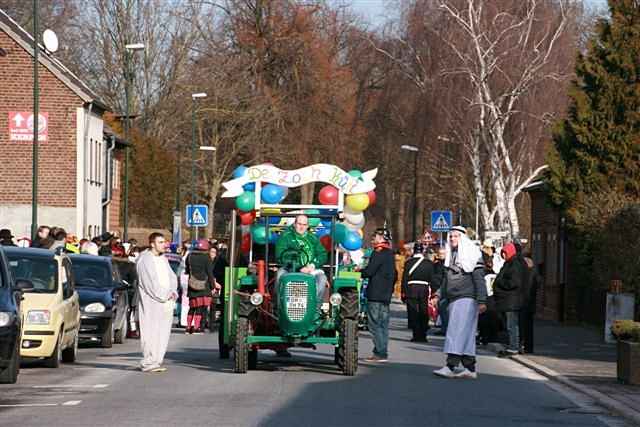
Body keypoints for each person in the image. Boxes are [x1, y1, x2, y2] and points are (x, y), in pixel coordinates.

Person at [433, 226, 487, 379]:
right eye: (450, 237)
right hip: (454, 299)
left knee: (455, 332)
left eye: (455, 236)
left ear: (462, 238)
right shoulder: (453, 255)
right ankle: (470, 368)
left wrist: (482, 300)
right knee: (466, 335)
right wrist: (438, 295)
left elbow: (479, 280)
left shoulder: (472, 255)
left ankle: (450, 365)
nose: (452, 239)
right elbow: (446, 281)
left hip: (466, 299)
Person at [135, 233, 177, 372]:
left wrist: (172, 292)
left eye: (164, 242)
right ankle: (149, 361)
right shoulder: (145, 260)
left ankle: (157, 360)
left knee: (163, 332)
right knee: (151, 331)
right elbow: (149, 283)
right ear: (152, 243)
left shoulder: (163, 259)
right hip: (152, 302)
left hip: (166, 301)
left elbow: (171, 277)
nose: (163, 244)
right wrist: (163, 295)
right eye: (160, 242)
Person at [360, 228, 396, 363]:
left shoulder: (378, 252)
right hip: (386, 294)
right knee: (383, 324)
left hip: (375, 294)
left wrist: (359, 272)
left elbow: (370, 271)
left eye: (375, 236)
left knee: (374, 324)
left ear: (381, 238)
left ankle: (379, 352)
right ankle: (382, 352)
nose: (373, 238)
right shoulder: (390, 253)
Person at [275, 214, 328, 303]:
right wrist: (299, 267)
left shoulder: (313, 238)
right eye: (299, 224)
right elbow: (280, 255)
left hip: (310, 269)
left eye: (304, 225)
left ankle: (315, 308)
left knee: (322, 278)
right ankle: (279, 305)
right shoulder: (286, 237)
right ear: (294, 224)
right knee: (280, 274)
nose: (301, 227)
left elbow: (322, 254)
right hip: (290, 268)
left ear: (307, 226)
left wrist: (313, 265)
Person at [493, 242, 526, 357]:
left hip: (512, 300)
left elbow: (514, 282)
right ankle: (513, 345)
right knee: (510, 324)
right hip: (508, 299)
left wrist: (500, 283)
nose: (503, 256)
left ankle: (514, 347)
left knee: (512, 324)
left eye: (505, 253)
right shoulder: (509, 263)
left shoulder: (514, 264)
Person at [401, 242, 435, 343]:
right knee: (424, 311)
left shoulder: (408, 263)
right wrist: (433, 292)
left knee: (413, 312)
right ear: (422, 251)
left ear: (414, 250)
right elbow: (432, 278)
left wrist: (403, 292)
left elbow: (404, 279)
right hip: (424, 288)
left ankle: (416, 335)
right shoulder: (429, 263)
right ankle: (423, 335)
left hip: (411, 288)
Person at [185, 239, 214, 334]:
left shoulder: (189, 256)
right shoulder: (206, 257)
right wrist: (213, 286)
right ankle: (196, 327)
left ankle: (188, 327)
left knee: (192, 307)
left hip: (192, 284)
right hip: (204, 285)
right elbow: (210, 273)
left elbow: (187, 270)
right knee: (200, 307)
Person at [478, 239, 502, 345]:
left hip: (493, 291)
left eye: (487, 247)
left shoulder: (497, 258)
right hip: (485, 289)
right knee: (483, 315)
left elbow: (497, 271)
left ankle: (491, 335)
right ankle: (484, 335)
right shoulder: (482, 257)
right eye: (484, 247)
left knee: (492, 314)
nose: (485, 249)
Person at [519, 251, 541, 354]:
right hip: (530, 302)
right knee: (529, 326)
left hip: (523, 301)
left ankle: (523, 345)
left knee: (522, 325)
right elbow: (538, 284)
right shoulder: (534, 270)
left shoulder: (524, 271)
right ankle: (529, 347)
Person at [432, 246, 448, 335]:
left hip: (444, 288)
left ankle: (445, 329)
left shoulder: (447, 265)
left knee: (444, 309)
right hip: (437, 288)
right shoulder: (436, 264)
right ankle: (443, 327)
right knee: (440, 310)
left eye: (443, 254)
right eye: (440, 254)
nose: (441, 255)